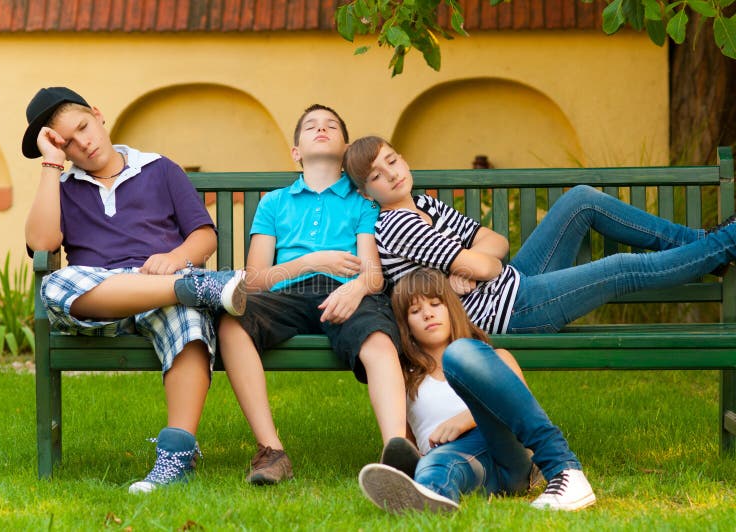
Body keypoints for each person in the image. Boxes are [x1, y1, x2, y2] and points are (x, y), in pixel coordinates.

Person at [22, 86, 247, 494]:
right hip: (104, 300)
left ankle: (176, 455)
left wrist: (177, 258)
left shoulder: (159, 169)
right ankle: (195, 287)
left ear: (98, 113)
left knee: (189, 320)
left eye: (84, 127)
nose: (83, 143)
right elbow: (42, 245)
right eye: (67, 142)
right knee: (55, 286)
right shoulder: (64, 186)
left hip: (165, 288)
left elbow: (203, 236)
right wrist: (50, 166)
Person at [344, 136, 736, 334]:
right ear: (366, 192)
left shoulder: (426, 205)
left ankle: (701, 242)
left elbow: (495, 243)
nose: (393, 173)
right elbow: (486, 260)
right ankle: (724, 243)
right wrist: (477, 264)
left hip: (512, 285)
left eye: (392, 160)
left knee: (581, 201)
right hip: (507, 314)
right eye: (377, 175)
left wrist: (473, 267)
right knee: (618, 268)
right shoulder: (396, 225)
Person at [217, 105, 419, 485]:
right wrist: (311, 261)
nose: (321, 129)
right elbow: (256, 279)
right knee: (232, 321)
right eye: (311, 126)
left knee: (378, 338)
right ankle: (271, 451)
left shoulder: (363, 202)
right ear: (296, 152)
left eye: (331, 126)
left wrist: (358, 288)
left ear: (345, 149)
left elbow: (373, 274)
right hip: (286, 294)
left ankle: (396, 449)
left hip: (348, 293)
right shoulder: (274, 202)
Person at [358, 268, 596, 513]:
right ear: (405, 326)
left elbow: (521, 411)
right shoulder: (403, 379)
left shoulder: (491, 359)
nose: (428, 314)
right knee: (439, 465)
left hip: (509, 453)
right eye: (415, 311)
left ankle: (564, 469)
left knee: (459, 353)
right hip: (467, 466)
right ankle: (429, 496)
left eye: (435, 304)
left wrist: (465, 420)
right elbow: (404, 442)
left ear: (451, 309)